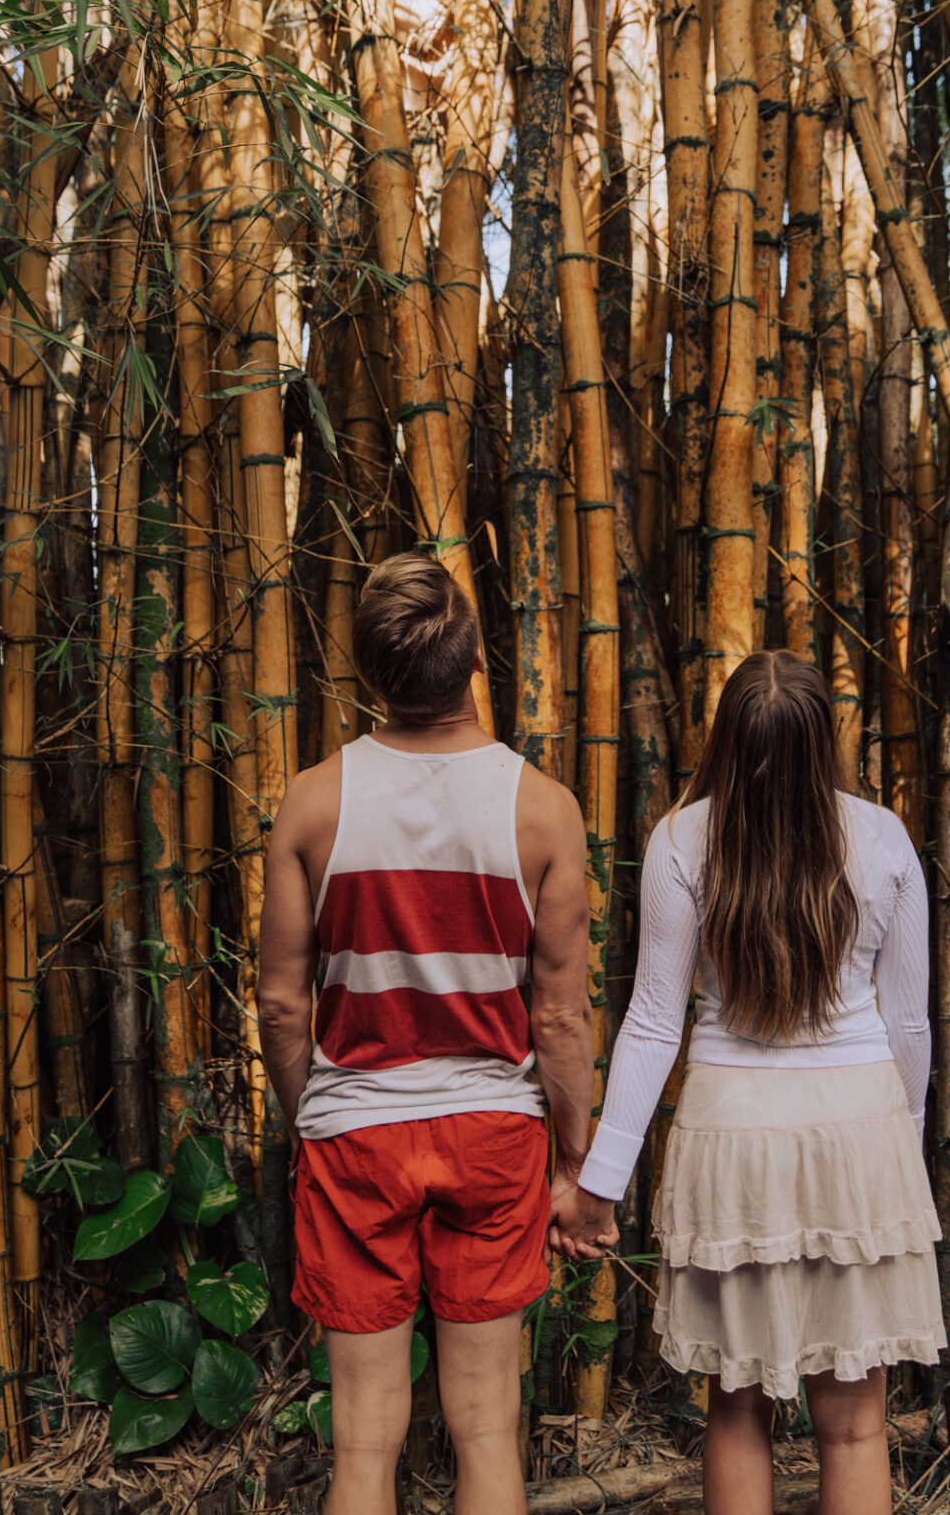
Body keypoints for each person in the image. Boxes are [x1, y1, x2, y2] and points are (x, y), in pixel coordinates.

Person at [258, 551, 615, 1515]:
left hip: (355, 1137)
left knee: (364, 1441)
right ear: (473, 667)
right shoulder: (542, 809)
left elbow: (285, 1005)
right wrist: (572, 1163)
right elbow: (558, 1015)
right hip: (494, 1135)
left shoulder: (313, 801)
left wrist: (320, 1113)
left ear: (371, 673)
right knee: (488, 1430)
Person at [553, 649, 945, 1515]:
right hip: (858, 1126)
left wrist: (598, 1184)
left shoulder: (679, 839)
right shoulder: (881, 838)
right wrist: (900, 1137)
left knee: (735, 1408)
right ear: (822, 741)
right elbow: (908, 1022)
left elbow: (655, 1021)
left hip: (729, 1132)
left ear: (724, 737)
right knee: (853, 1421)